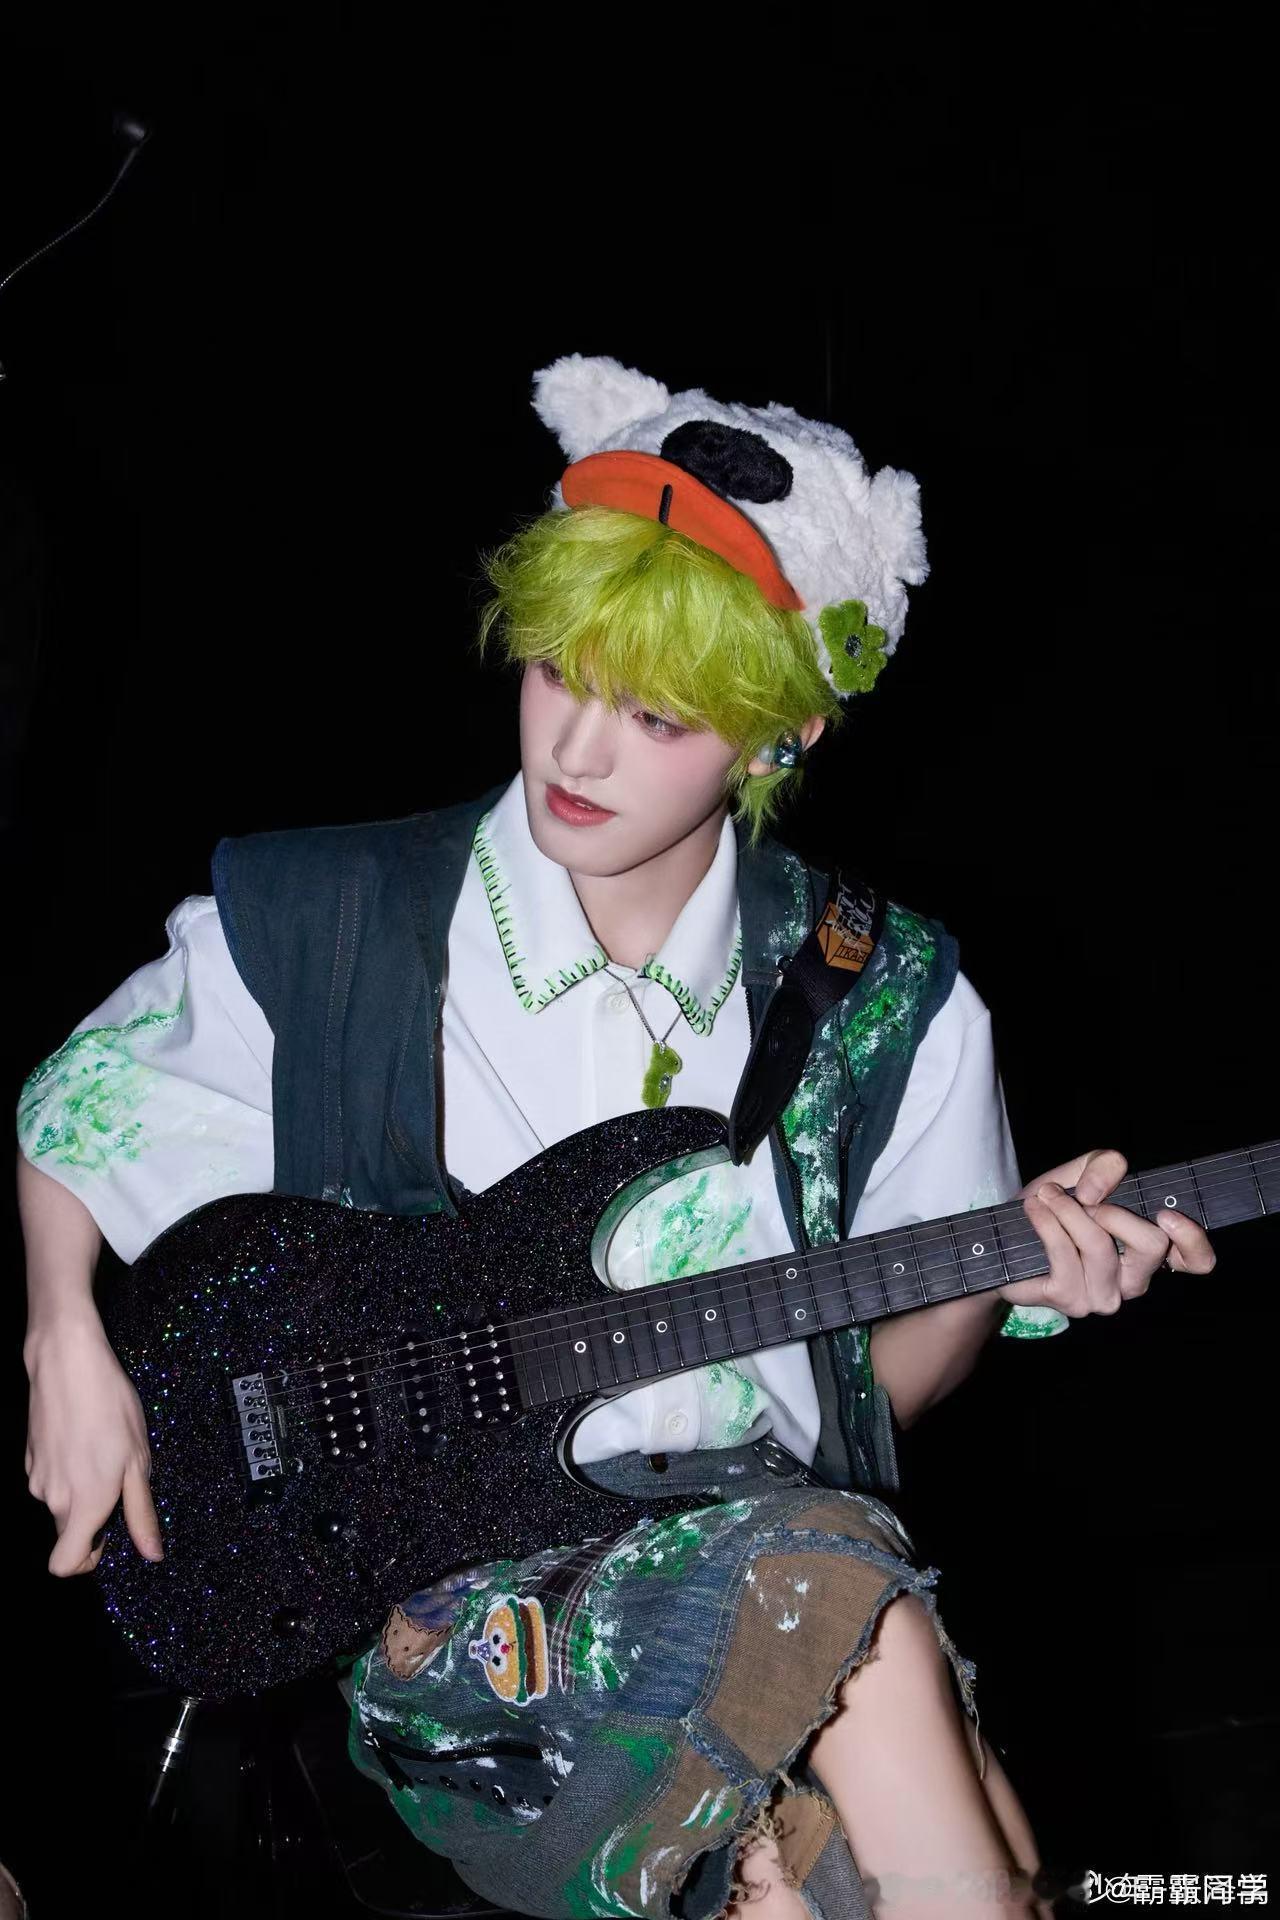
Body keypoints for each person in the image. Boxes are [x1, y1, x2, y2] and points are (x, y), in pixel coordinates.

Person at [18, 354, 1216, 1920]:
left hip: (767, 1548)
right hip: (460, 1624)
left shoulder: (888, 991)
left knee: (886, 1805)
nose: (578, 752)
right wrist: (63, 1333)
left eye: (655, 714)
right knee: (854, 1623)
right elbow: (81, 1109)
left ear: (779, 735)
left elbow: (862, 1392)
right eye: (558, 675)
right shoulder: (345, 913)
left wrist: (1003, 1275)